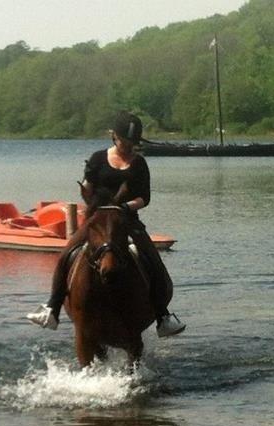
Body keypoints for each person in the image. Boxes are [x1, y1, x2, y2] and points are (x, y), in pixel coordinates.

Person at [26, 111, 186, 337]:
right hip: (97, 222)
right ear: (114, 136)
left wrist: (125, 207)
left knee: (153, 260)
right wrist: (88, 193)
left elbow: (144, 198)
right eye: (124, 141)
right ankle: (52, 308)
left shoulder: (139, 163)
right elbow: (87, 185)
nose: (128, 147)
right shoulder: (98, 159)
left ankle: (162, 315)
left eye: (132, 143)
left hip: (127, 221)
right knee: (66, 254)